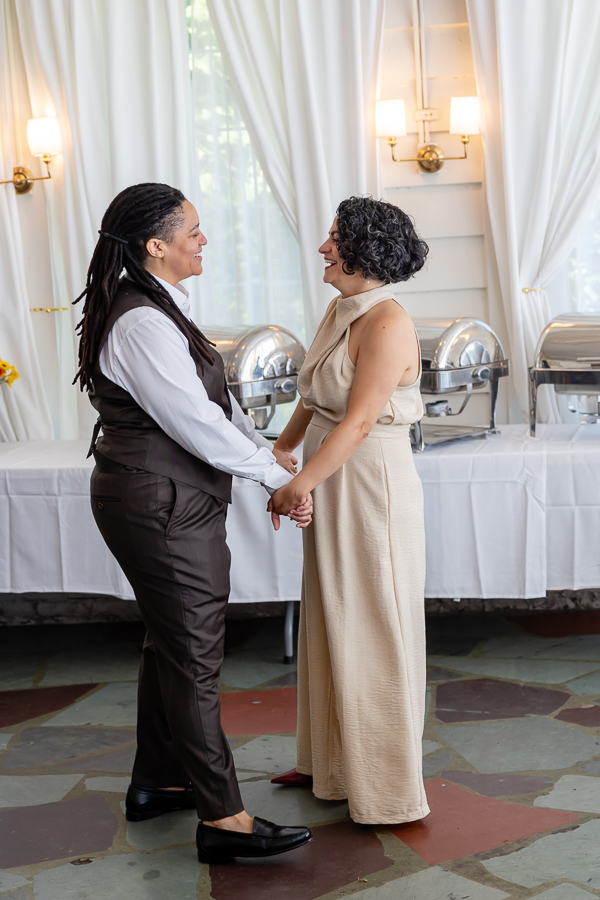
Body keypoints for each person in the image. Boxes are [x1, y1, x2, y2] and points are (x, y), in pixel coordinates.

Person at [74, 182, 313, 863]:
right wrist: (278, 479)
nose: (204, 239)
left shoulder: (159, 305)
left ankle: (159, 781)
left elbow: (218, 406)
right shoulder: (144, 322)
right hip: (162, 503)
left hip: (166, 498)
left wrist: (269, 457)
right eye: (193, 231)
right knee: (194, 657)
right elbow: (195, 424)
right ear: (157, 245)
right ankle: (224, 820)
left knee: (171, 645)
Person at [268, 196, 430, 825]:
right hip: (331, 473)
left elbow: (360, 421)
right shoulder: (341, 308)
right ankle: (329, 765)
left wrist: (300, 484)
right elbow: (316, 393)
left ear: (366, 249)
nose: (322, 248)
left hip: (369, 484)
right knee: (329, 611)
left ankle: (386, 790)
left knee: (373, 621)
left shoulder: (387, 321)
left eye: (334, 237)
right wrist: (284, 448)